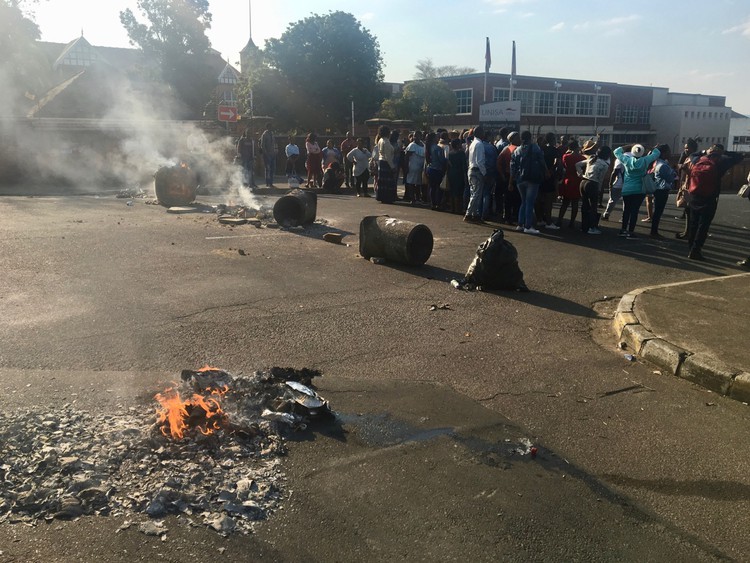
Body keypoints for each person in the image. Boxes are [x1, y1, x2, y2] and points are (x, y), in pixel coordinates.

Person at [685, 144, 744, 260]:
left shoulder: (698, 159)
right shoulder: (722, 161)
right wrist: (724, 152)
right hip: (710, 197)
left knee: (693, 223)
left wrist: (704, 151)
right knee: (703, 225)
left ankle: (691, 247)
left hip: (694, 195)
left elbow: (692, 154)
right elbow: (740, 156)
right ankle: (696, 250)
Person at [612, 143, 661, 238]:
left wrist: (629, 145)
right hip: (639, 189)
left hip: (627, 189)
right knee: (634, 211)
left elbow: (616, 152)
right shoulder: (645, 160)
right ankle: (631, 232)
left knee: (626, 210)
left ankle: (623, 230)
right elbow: (657, 153)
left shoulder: (627, 160)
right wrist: (647, 146)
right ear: (642, 152)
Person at [510, 130, 547, 234]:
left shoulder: (517, 150)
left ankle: (520, 224)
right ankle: (528, 226)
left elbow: (512, 165)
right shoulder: (535, 147)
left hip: (520, 179)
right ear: (530, 137)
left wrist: (511, 180)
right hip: (532, 178)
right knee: (530, 202)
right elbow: (541, 160)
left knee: (524, 202)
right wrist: (546, 171)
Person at [576, 146, 612, 234]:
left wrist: (580, 173)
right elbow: (601, 179)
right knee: (593, 207)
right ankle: (592, 227)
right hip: (593, 184)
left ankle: (584, 226)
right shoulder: (604, 165)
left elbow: (577, 164)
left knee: (584, 206)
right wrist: (599, 190)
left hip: (583, 182)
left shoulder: (592, 159)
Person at [648, 144, 676, 238]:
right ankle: (654, 231)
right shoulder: (663, 165)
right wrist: (674, 172)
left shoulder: (657, 163)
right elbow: (670, 178)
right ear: (664, 153)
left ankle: (654, 230)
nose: (670, 153)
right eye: (668, 151)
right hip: (662, 190)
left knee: (657, 211)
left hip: (657, 189)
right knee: (658, 211)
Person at [557, 140, 585, 229]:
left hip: (568, 180)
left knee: (565, 202)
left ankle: (559, 220)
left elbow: (564, 167)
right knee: (575, 203)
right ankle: (572, 222)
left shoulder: (566, 156)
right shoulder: (582, 158)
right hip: (577, 180)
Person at [537, 132, 561, 230]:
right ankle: (548, 221)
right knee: (548, 200)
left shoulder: (540, 149)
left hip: (539, 176)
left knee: (539, 199)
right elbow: (558, 163)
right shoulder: (554, 150)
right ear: (552, 139)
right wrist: (552, 170)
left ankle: (539, 219)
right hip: (549, 176)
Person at [675, 138, 698, 239]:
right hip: (685, 186)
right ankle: (688, 231)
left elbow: (695, 174)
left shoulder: (696, 159)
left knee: (691, 211)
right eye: (685, 148)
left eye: (688, 148)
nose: (686, 150)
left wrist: (686, 169)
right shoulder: (687, 157)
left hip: (692, 187)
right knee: (688, 210)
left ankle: (690, 233)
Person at [497, 131, 521, 224]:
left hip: (507, 176)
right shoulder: (517, 149)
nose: (520, 140)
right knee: (516, 198)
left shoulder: (505, 149)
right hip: (514, 176)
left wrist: (502, 175)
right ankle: (515, 215)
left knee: (508, 198)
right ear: (513, 139)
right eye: (518, 138)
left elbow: (498, 163)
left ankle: (507, 216)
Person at [464, 125, 487, 223]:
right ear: (480, 133)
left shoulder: (473, 143)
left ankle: (475, 214)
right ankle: (469, 214)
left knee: (474, 193)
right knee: (476, 194)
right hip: (477, 170)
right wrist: (484, 173)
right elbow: (480, 161)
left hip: (471, 169)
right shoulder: (479, 144)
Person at [425, 132, 448, 210]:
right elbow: (441, 160)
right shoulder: (438, 148)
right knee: (439, 187)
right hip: (437, 169)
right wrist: (446, 161)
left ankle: (433, 203)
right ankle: (438, 203)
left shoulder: (428, 147)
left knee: (432, 187)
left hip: (430, 168)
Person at [376, 125, 397, 203]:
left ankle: (382, 196)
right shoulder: (386, 142)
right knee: (388, 182)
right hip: (386, 162)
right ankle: (388, 197)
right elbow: (388, 156)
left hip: (381, 161)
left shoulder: (380, 140)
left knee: (382, 181)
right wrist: (392, 166)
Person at [602, 152, 626, 222]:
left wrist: (610, 183)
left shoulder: (621, 158)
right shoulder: (636, 159)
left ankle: (606, 214)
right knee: (626, 203)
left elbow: (615, 171)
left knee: (612, 200)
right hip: (629, 185)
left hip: (618, 184)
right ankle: (624, 217)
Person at [404, 131, 426, 205]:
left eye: (417, 136)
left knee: (419, 183)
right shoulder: (412, 145)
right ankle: (412, 198)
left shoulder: (423, 144)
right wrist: (406, 167)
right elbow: (407, 157)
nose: (415, 137)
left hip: (420, 167)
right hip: (413, 166)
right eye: (414, 136)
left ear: (421, 136)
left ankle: (418, 198)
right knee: (411, 183)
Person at [446, 138, 467, 214]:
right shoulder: (461, 153)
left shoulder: (450, 153)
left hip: (451, 173)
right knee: (459, 192)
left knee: (452, 191)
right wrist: (465, 175)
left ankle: (453, 208)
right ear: (458, 145)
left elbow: (447, 164)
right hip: (459, 174)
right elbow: (464, 165)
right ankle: (459, 209)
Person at [259, 123, 277, 188]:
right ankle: (267, 183)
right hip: (267, 154)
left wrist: (275, 151)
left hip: (272, 154)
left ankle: (271, 183)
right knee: (268, 169)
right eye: (270, 126)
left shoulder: (272, 134)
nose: (271, 128)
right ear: (267, 127)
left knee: (272, 169)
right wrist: (265, 153)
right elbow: (262, 145)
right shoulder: (264, 135)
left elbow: (274, 143)